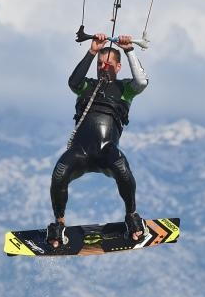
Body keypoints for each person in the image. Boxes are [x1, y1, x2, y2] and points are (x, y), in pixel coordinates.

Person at [47, 32, 148, 247]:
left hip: (106, 151)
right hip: (80, 151)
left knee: (122, 168)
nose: (103, 67)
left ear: (118, 67)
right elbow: (73, 82)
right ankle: (59, 225)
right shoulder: (86, 86)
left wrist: (129, 50)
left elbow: (142, 82)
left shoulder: (125, 89)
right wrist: (92, 51)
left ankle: (132, 216)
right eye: (100, 64)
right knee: (59, 174)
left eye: (108, 64)